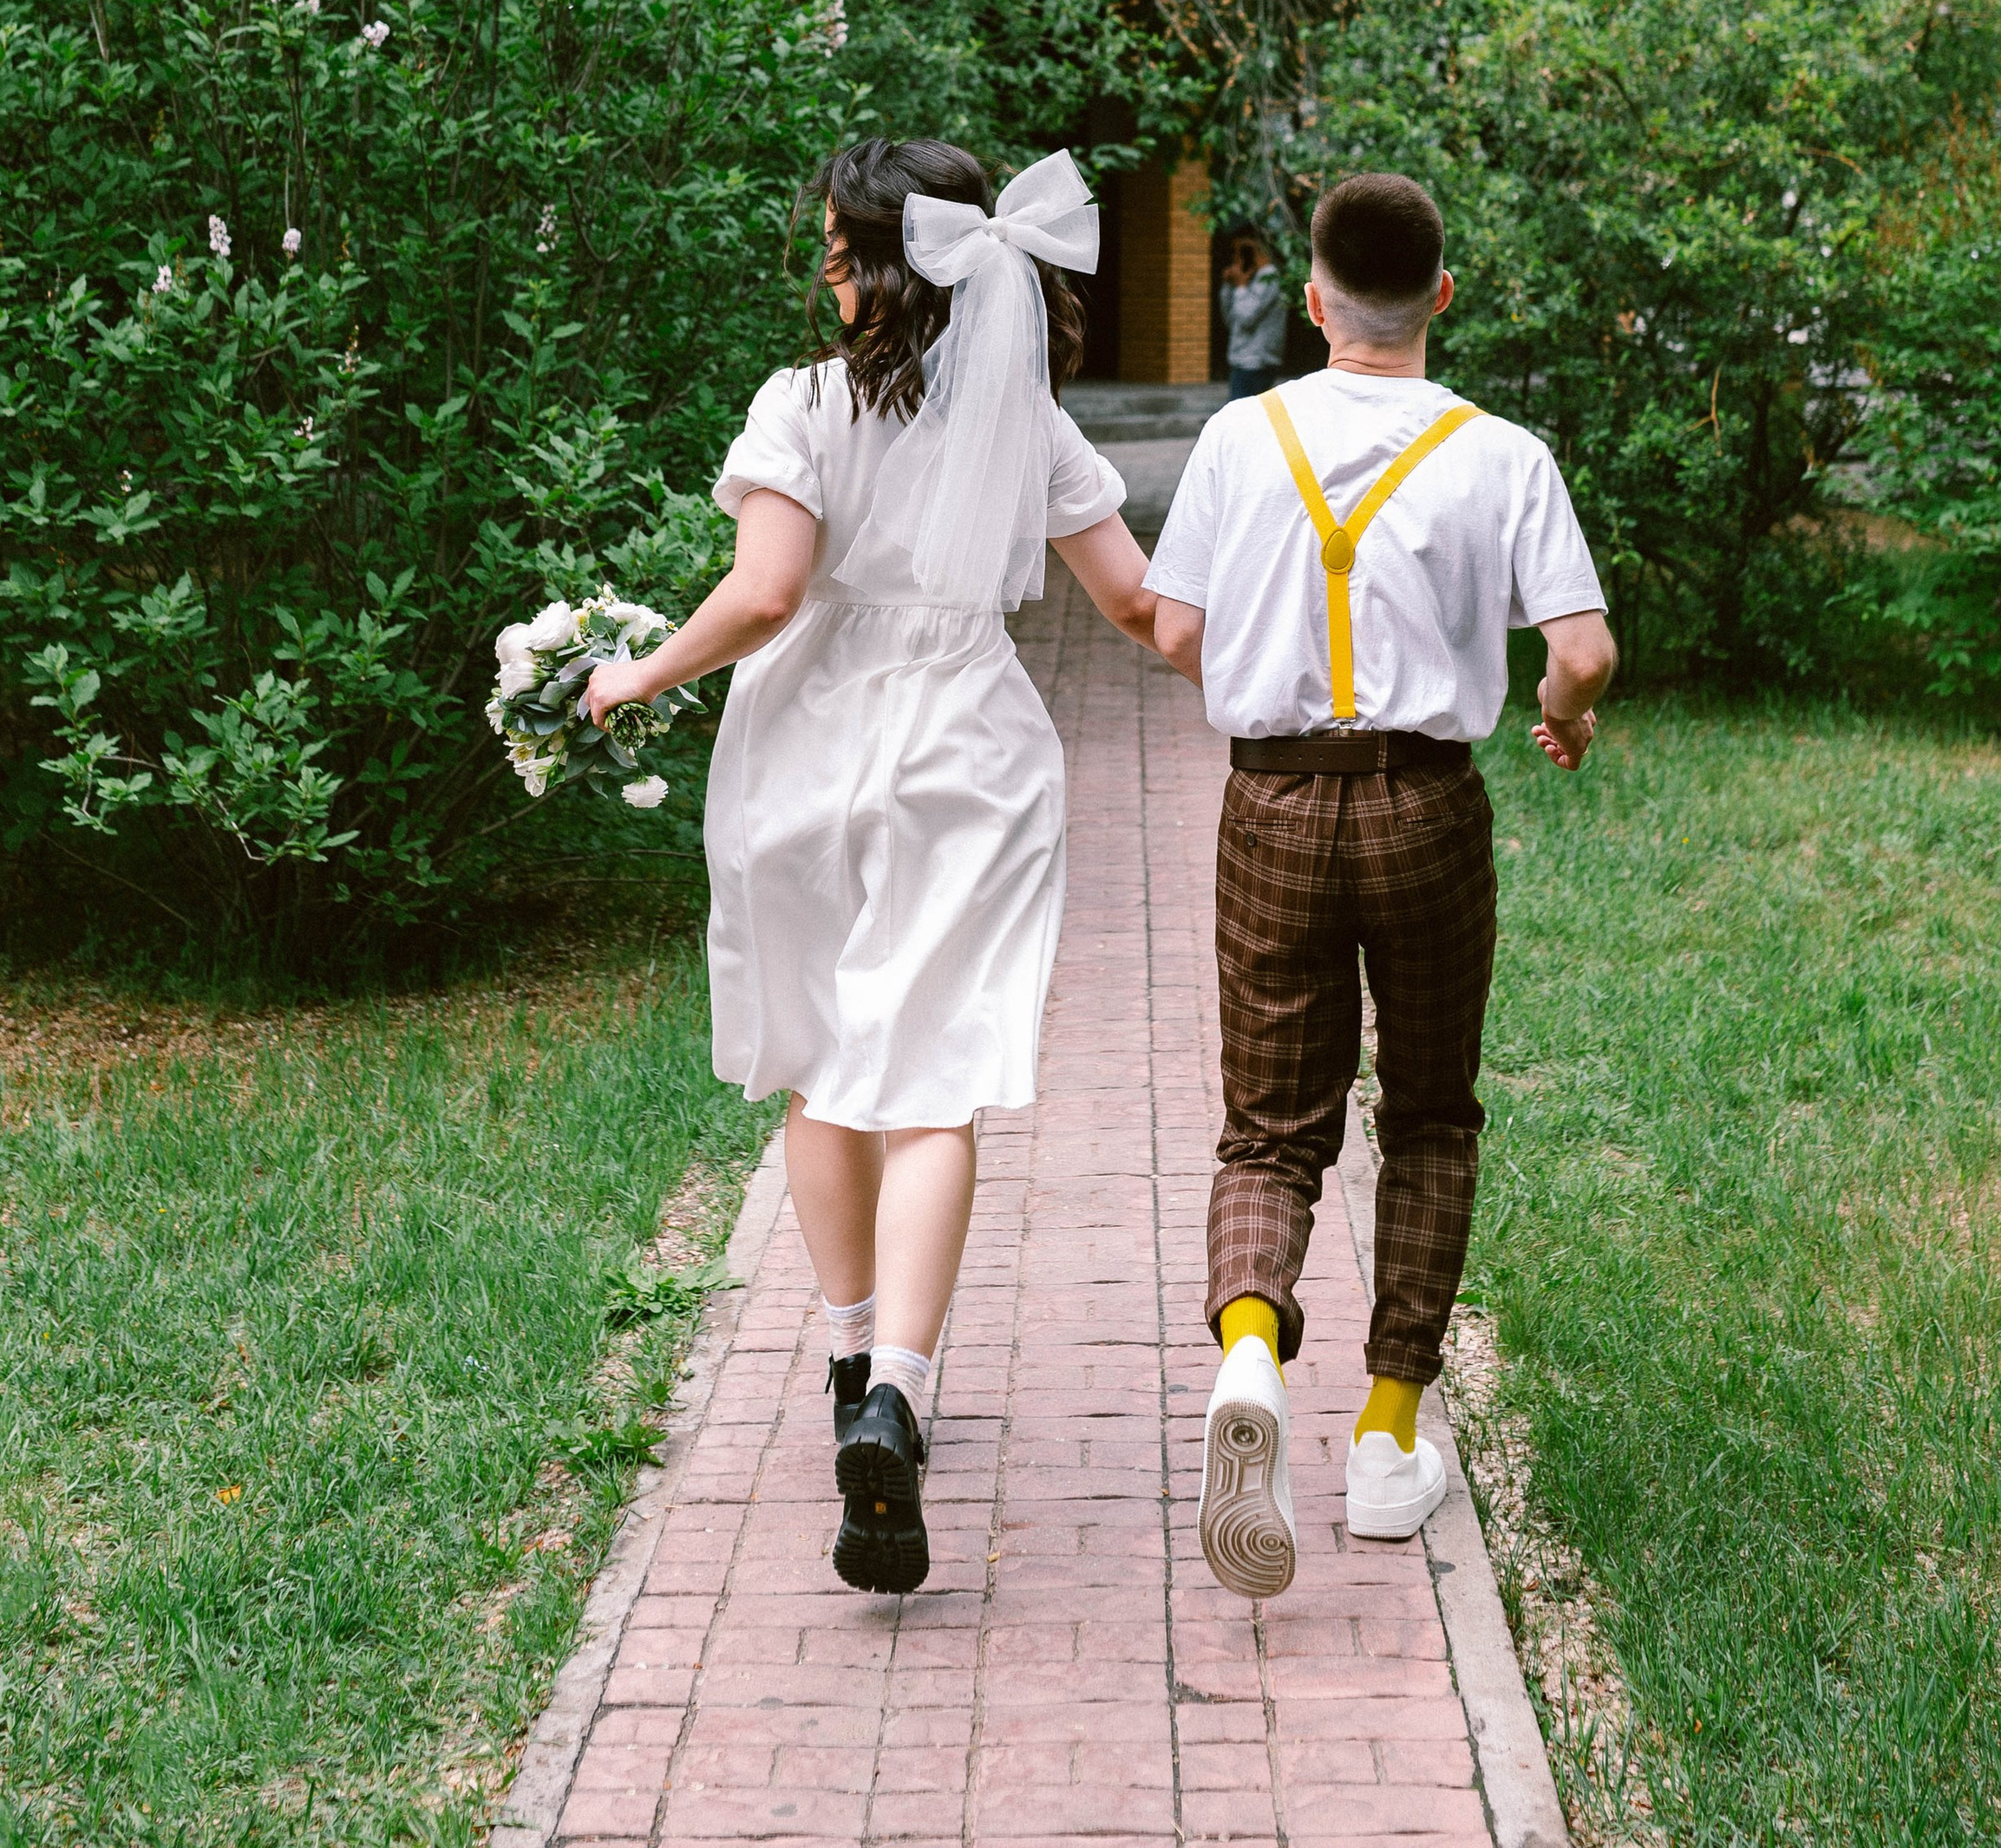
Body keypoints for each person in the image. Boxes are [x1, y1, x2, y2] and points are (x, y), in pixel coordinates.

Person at [587, 139, 1158, 1597]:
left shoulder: (803, 404)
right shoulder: (1020, 419)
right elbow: (1142, 606)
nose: (821, 273)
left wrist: (638, 672)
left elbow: (769, 589)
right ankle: (903, 1382)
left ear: (867, 265)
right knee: (933, 1071)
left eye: (833, 249)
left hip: (814, 744)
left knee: (826, 1059)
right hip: (967, 743)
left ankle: (847, 1359)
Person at [1145, 170, 1615, 1598]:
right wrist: (1567, 709)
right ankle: (1389, 1436)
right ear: (1443, 296)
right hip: (1426, 807)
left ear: (1310, 299)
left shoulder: (1242, 435)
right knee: (1426, 1110)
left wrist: (1252, 685)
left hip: (1272, 800)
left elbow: (1175, 624)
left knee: (1269, 1125)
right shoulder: (1503, 453)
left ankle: (1247, 1350)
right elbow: (1583, 647)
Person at [1219, 237, 1287, 402]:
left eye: (1239, 253)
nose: (1236, 259)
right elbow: (1231, 320)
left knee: (1241, 421)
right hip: (1243, 360)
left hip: (1256, 362)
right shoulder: (1253, 279)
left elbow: (1245, 318)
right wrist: (1229, 286)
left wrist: (1241, 286)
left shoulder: (1268, 278)